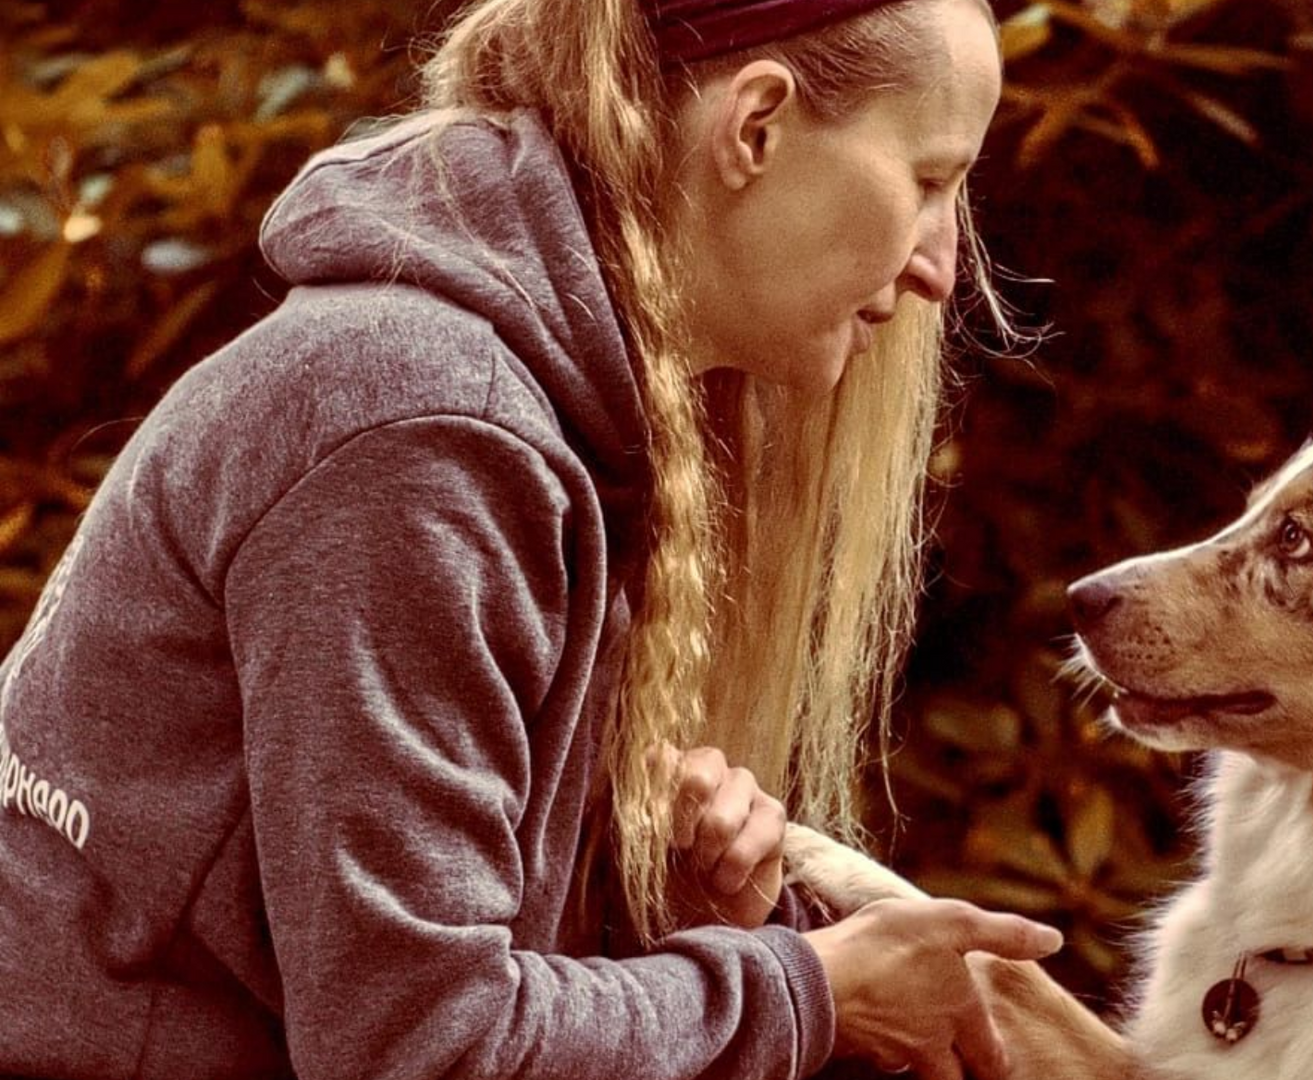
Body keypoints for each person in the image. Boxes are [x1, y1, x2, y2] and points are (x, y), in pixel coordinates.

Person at [0, 0, 1063, 1077]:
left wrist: (668, 923)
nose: (940, 266)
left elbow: (381, 975)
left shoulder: (527, 402)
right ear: (757, 127)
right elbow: (418, 1047)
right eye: (929, 180)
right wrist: (808, 993)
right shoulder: (427, 429)